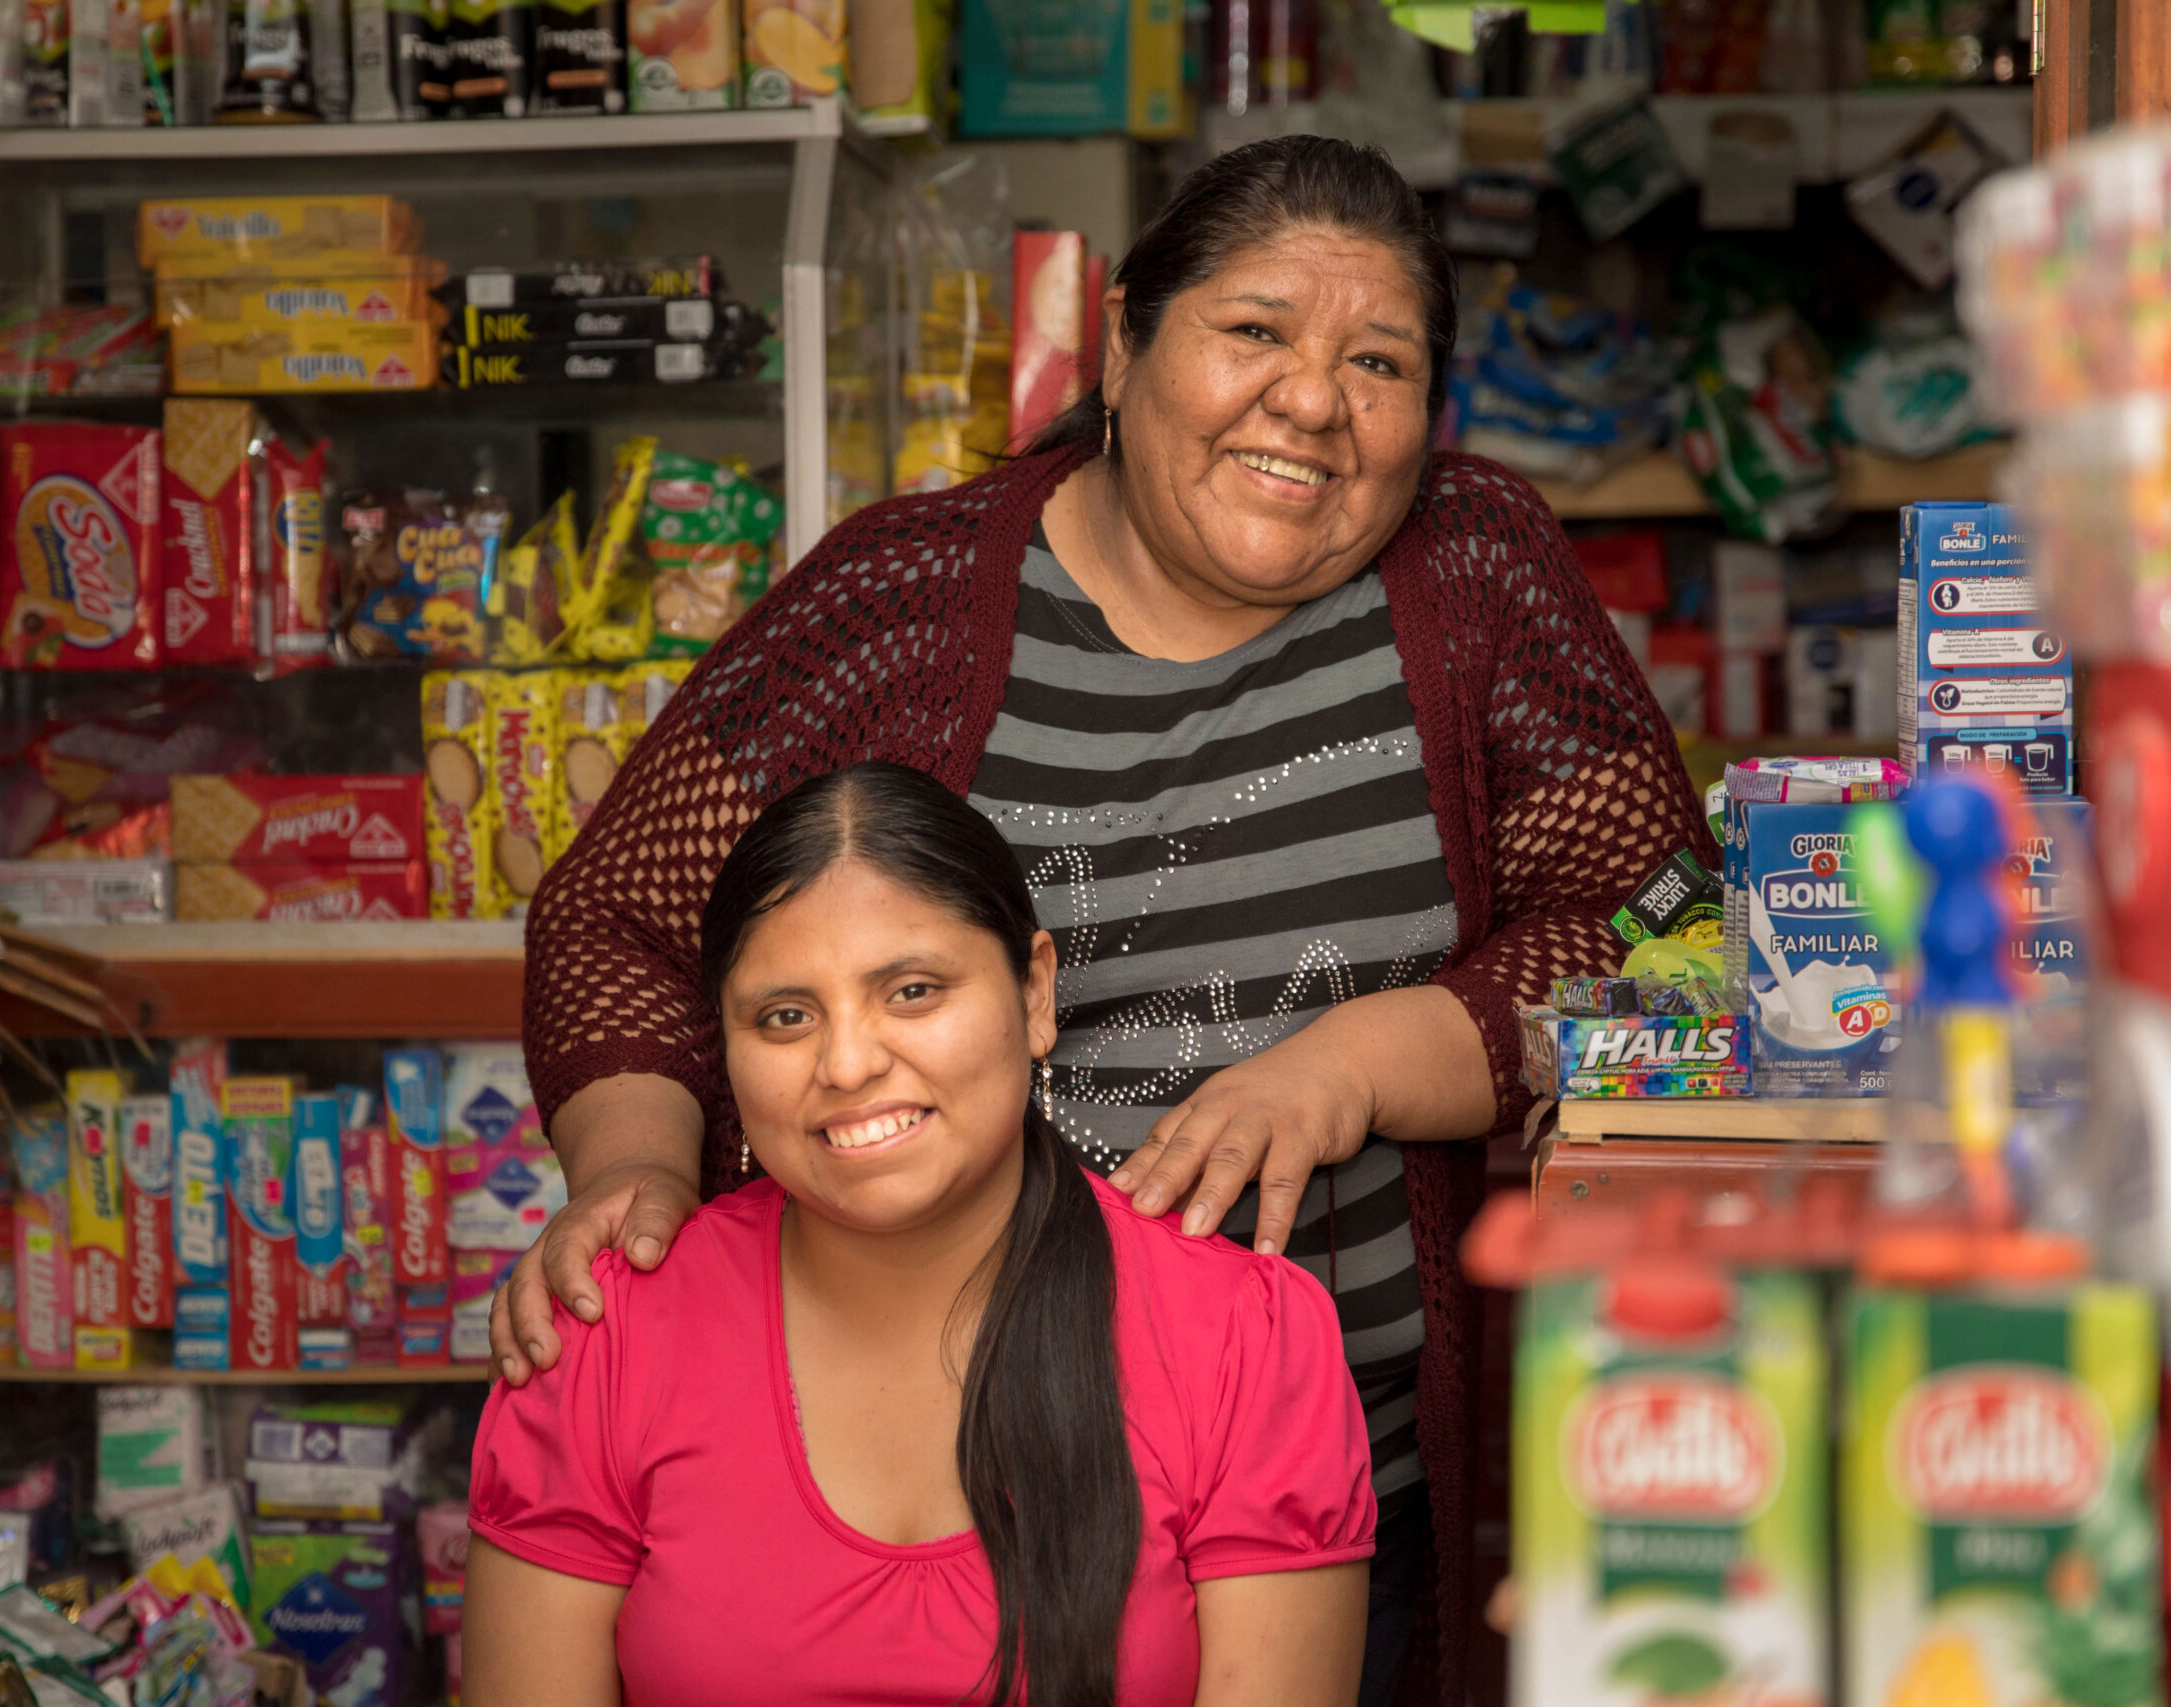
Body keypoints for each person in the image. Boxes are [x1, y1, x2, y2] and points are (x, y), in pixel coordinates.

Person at [505, 134, 1712, 1706]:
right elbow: (619, 916)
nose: (1312, 402)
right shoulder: (906, 596)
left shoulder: (1474, 566)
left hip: (1341, 1475)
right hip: (911, 1466)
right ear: (1128, 336)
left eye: (1378, 359)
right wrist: (640, 1187)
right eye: (1257, 332)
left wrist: (1351, 1064)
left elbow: (1660, 929)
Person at [464, 763, 1375, 1706]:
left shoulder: (1244, 1341)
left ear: (1033, 995)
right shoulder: (603, 1330)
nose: (849, 1063)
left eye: (911, 991)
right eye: (786, 1016)